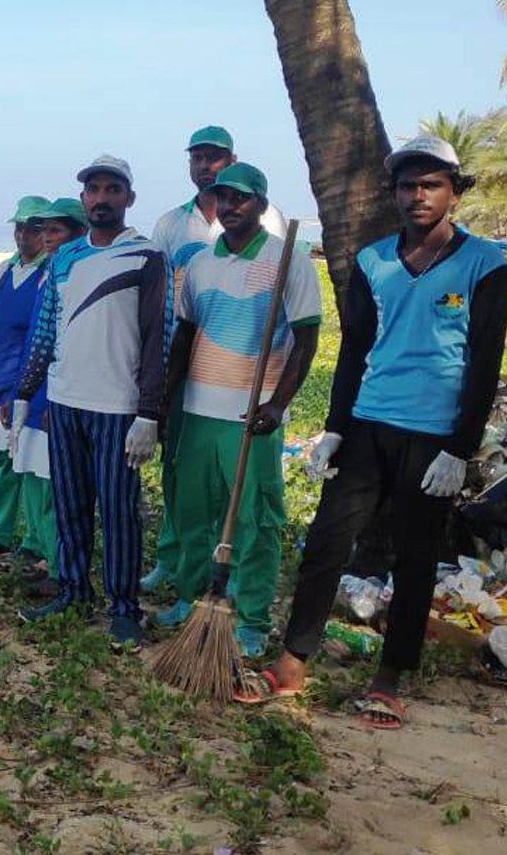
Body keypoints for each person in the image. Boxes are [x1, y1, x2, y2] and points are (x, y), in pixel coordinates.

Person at [244, 136, 507, 727]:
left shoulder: (483, 263)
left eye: (431, 184)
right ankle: (292, 661)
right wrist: (335, 429)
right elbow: (357, 347)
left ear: (453, 194)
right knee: (327, 544)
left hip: (433, 435)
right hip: (368, 424)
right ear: (394, 195)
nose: (418, 195)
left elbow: (485, 361)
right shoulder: (373, 261)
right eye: (408, 186)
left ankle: (390, 678)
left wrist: (459, 449)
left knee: (413, 558)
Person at [160, 162, 321, 658]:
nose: (230, 207)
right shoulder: (202, 264)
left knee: (254, 521)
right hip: (198, 410)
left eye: (241, 199)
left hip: (251, 417)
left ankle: (251, 618)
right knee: (191, 513)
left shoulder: (288, 259)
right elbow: (185, 335)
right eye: (222, 198)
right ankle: (190, 598)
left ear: (261, 205)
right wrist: (167, 403)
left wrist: (278, 403)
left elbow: (306, 339)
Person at [14, 156, 164, 646]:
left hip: (118, 407)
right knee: (70, 503)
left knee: (119, 510)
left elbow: (156, 338)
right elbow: (44, 331)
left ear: (128, 198)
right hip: (64, 401)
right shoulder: (64, 258)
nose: (101, 198)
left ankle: (123, 607)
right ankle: (73, 589)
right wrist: (24, 394)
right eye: (93, 190)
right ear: (83, 200)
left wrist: (149, 413)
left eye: (111, 189)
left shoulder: (146, 255)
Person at [141, 126, 285, 592]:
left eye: (214, 158)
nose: (204, 166)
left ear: (232, 160)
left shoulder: (269, 221)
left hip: (245, 373)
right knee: (181, 468)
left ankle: (232, 569)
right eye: (197, 158)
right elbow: (160, 299)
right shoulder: (170, 224)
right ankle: (174, 554)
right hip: (182, 363)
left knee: (239, 479)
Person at [3, 197, 88, 596]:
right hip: (34, 391)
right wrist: (19, 393)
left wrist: (56, 399)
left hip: (61, 393)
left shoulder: (80, 274)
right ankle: (40, 552)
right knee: (33, 475)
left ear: (77, 232)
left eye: (55, 231)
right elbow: (34, 341)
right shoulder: (51, 273)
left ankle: (61, 567)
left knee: (57, 484)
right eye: (45, 230)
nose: (47, 238)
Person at [0, 196, 54, 566]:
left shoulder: (49, 272)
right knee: (3, 463)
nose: (25, 235)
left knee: (31, 465)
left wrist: (26, 389)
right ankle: (0, 533)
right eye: (20, 227)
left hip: (28, 386)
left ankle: (36, 541)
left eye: (34, 228)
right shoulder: (3, 270)